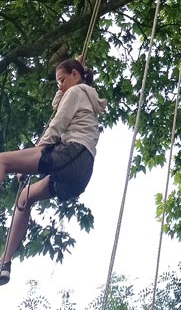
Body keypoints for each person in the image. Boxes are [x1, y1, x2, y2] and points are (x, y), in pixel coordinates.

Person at [0, 57, 106, 286]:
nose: (60, 85)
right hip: (79, 173)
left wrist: (33, 157)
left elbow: (57, 123)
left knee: (2, 162)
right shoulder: (83, 94)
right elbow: (57, 105)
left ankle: (5, 259)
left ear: (75, 76)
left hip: (71, 153)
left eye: (62, 79)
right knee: (25, 198)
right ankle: (5, 262)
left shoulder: (76, 92)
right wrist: (72, 72)